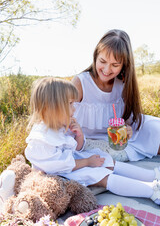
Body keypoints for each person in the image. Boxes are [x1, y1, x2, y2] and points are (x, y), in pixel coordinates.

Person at [18, 76, 160, 206]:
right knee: (101, 175)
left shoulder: (60, 125)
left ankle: (153, 176)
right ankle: (150, 191)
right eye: (70, 104)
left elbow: (77, 149)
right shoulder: (40, 139)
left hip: (73, 163)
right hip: (60, 174)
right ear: (52, 107)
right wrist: (87, 162)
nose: (74, 109)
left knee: (105, 159)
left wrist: (79, 135)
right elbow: (59, 165)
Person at [72, 29, 160, 162]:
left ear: (124, 65)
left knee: (155, 130)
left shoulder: (123, 84)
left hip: (116, 137)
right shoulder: (81, 83)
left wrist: (128, 128)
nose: (107, 70)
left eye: (115, 65)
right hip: (87, 138)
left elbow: (127, 119)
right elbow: (61, 114)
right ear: (95, 56)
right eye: (102, 61)